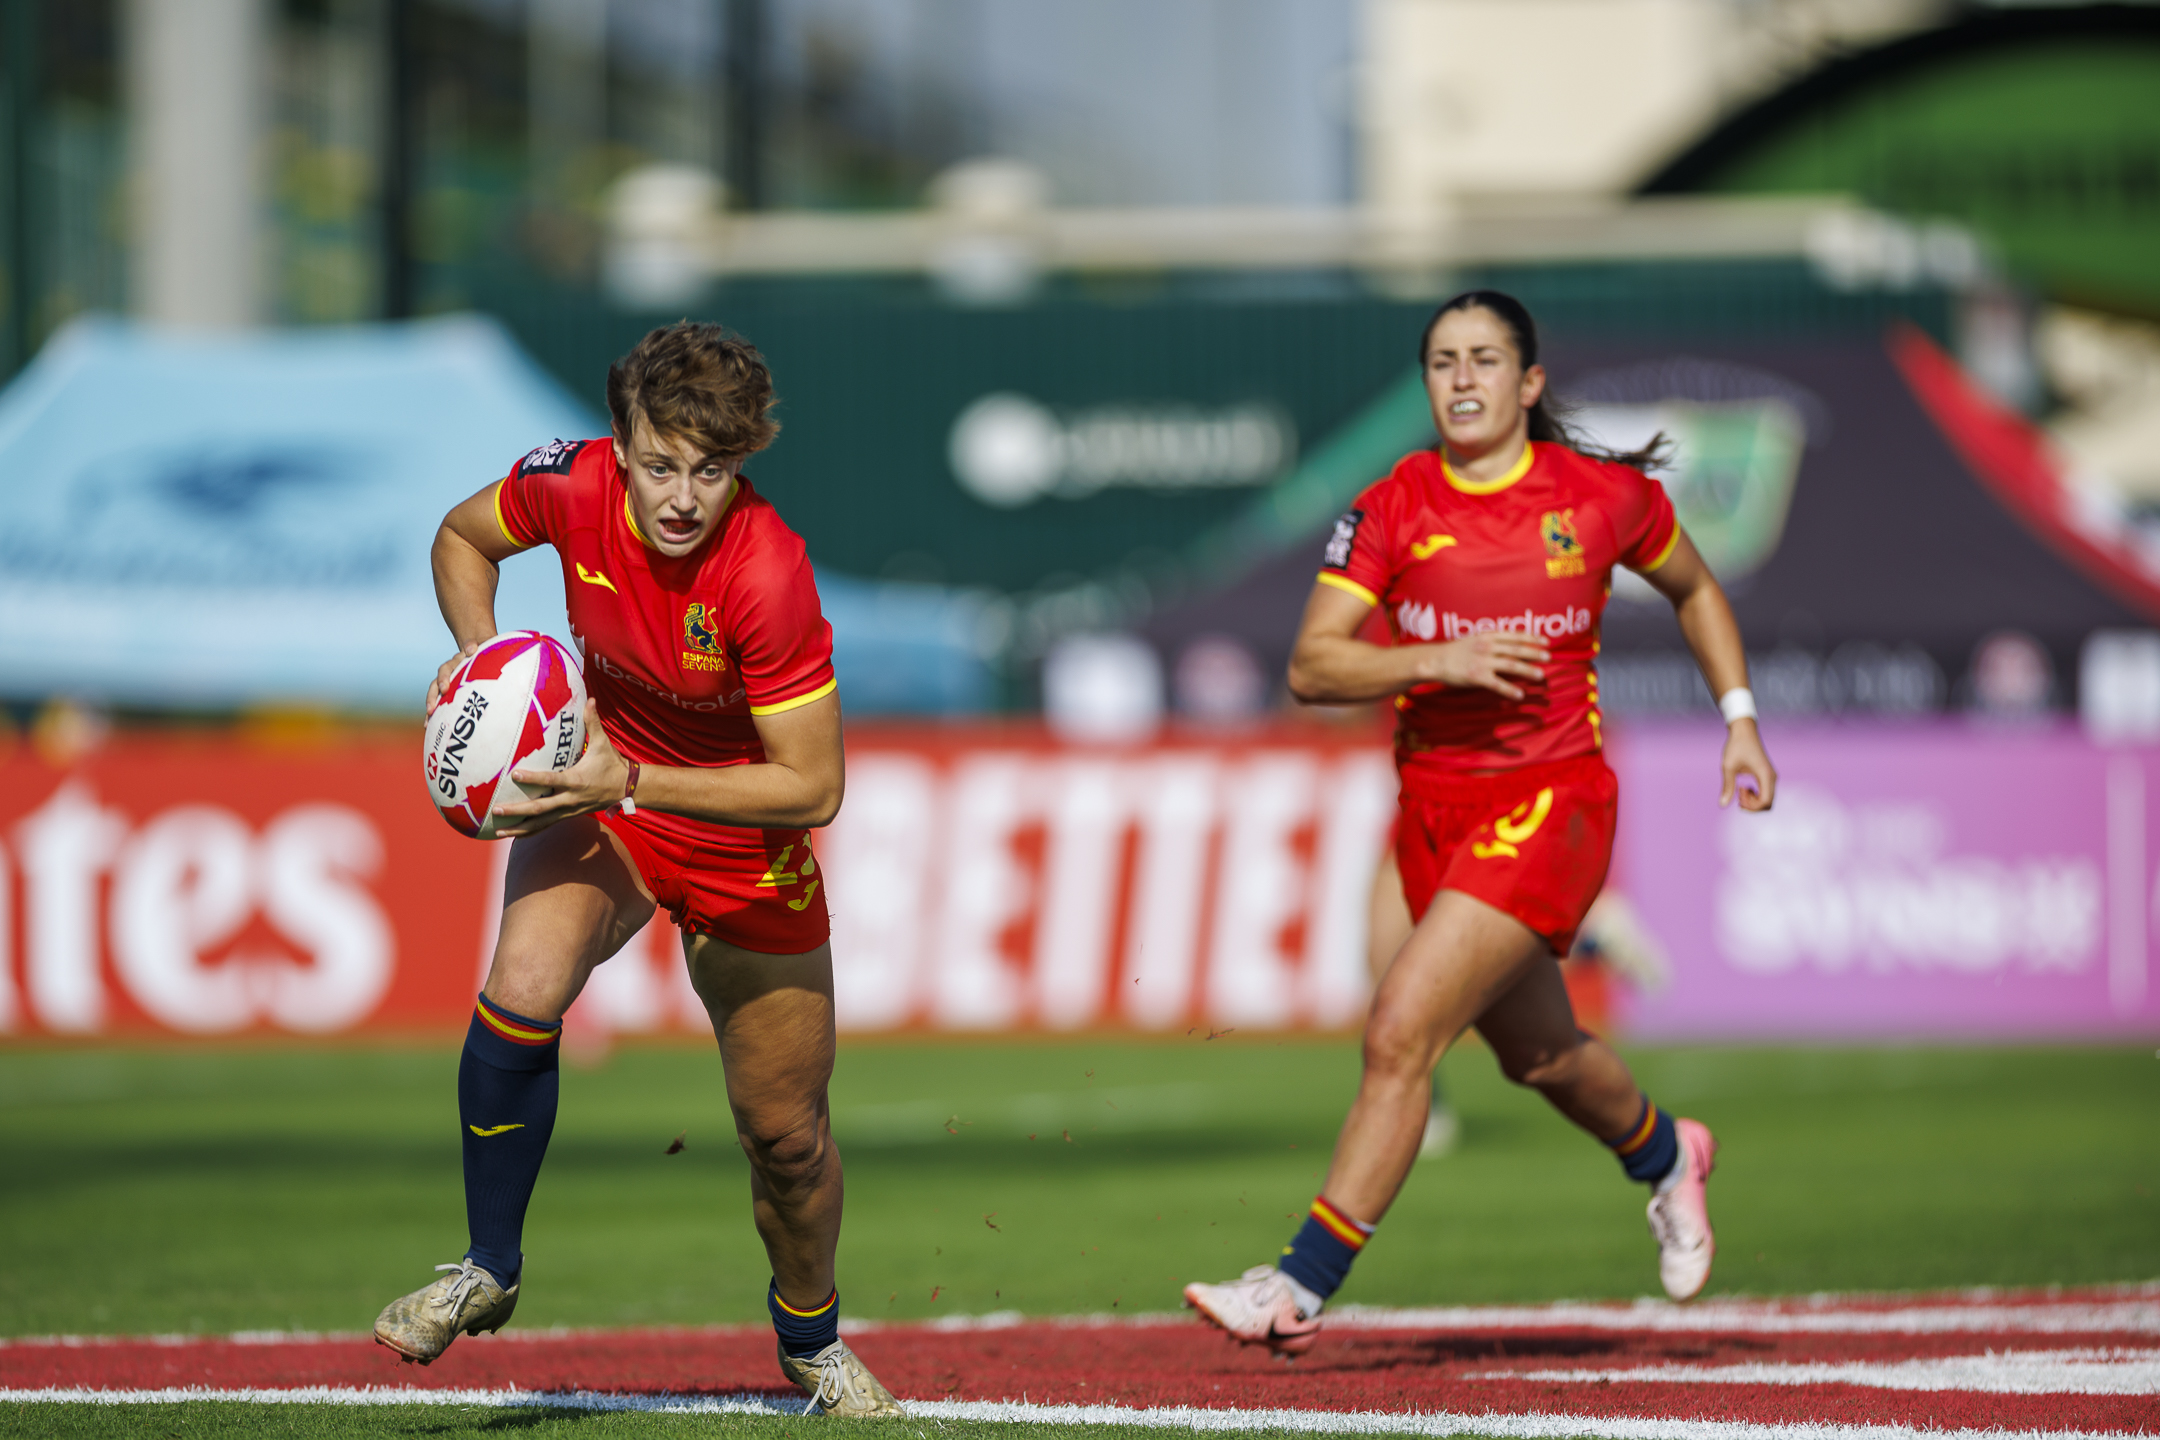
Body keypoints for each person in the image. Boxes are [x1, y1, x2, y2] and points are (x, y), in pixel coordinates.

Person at [1183, 290, 1776, 1354]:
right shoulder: (1395, 503)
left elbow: (1694, 589)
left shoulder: (1599, 498)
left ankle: (1296, 1285)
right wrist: (1436, 659)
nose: (1462, 379)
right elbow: (1314, 664)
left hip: (1553, 801)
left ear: (1529, 383)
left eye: (1485, 360)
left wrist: (1739, 720)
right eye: (1443, 361)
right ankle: (1666, 1157)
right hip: (1436, 809)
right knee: (1543, 1058)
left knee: (1402, 1024)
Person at [372, 322, 902, 1417]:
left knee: (787, 1141)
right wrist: (484, 662)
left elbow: (812, 787)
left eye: (711, 471)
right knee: (520, 990)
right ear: (621, 446)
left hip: (737, 833)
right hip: (602, 787)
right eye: (660, 463)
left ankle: (810, 1337)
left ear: (742, 463)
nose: (681, 497)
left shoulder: (769, 572)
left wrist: (633, 782)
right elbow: (460, 539)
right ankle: (487, 1267)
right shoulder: (568, 485)